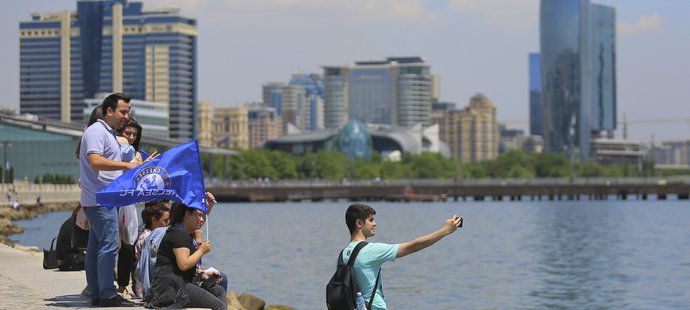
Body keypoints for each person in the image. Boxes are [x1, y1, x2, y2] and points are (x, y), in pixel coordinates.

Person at [340, 203, 462, 310]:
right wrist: (446, 230)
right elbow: (413, 246)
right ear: (359, 223)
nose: (375, 223)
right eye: (371, 220)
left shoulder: (343, 254)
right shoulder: (371, 250)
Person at [79, 93, 139, 307]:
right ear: (109, 111)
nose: (126, 116)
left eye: (128, 112)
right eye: (123, 111)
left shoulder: (108, 133)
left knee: (96, 247)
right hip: (101, 200)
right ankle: (107, 293)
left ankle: (97, 291)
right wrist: (126, 166)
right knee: (109, 247)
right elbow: (95, 161)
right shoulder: (97, 131)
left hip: (104, 198)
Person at [145, 201, 227, 310]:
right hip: (172, 287)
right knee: (219, 306)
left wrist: (209, 205)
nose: (201, 219)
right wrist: (201, 250)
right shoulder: (178, 234)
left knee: (219, 291)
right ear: (187, 214)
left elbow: (198, 224)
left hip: (180, 282)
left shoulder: (182, 231)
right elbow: (183, 264)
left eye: (202, 215)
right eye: (198, 215)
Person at [115, 119, 145, 298]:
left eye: (134, 134)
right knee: (112, 245)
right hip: (114, 199)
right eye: (128, 133)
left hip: (128, 203)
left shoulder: (136, 153)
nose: (132, 137)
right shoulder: (118, 149)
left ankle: (122, 285)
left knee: (128, 245)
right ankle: (106, 285)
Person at [134, 200, 171, 298]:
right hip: (147, 286)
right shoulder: (149, 238)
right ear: (154, 220)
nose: (167, 224)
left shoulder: (144, 231)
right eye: (165, 220)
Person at [56, 206, 86, 271]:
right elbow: (80, 245)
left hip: (61, 262)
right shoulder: (78, 224)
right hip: (70, 262)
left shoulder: (70, 221)